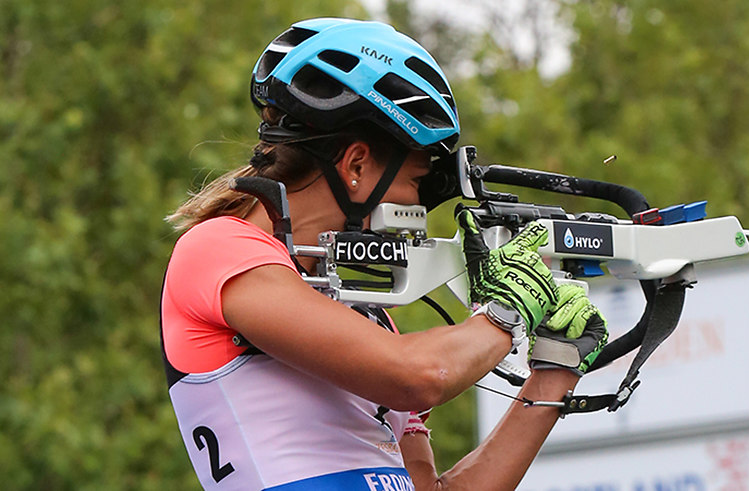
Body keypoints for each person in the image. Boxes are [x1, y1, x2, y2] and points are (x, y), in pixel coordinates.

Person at [161, 18, 607, 490]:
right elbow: (417, 375)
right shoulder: (217, 248)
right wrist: (507, 311)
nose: (417, 204)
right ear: (355, 164)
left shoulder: (365, 315)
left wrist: (554, 372)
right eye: (415, 182)